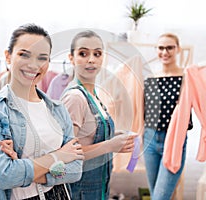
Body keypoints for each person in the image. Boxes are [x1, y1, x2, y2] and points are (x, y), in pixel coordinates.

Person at [0, 23, 84, 200]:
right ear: (8, 57)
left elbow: (75, 170)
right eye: (24, 55)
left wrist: (22, 167)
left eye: (42, 58)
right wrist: (60, 156)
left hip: (59, 195)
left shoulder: (58, 110)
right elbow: (4, 176)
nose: (33, 65)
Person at [60, 30, 136, 200]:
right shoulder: (75, 98)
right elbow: (67, 154)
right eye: (83, 53)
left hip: (99, 187)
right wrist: (110, 145)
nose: (91, 59)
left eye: (97, 54)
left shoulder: (94, 95)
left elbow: (88, 135)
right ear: (71, 58)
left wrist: (117, 137)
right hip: (80, 191)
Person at [142, 33, 193, 200]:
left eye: (170, 47)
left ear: (177, 49)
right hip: (149, 139)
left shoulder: (187, 77)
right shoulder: (149, 78)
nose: (165, 52)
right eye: (161, 48)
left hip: (174, 141)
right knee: (154, 192)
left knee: (160, 197)